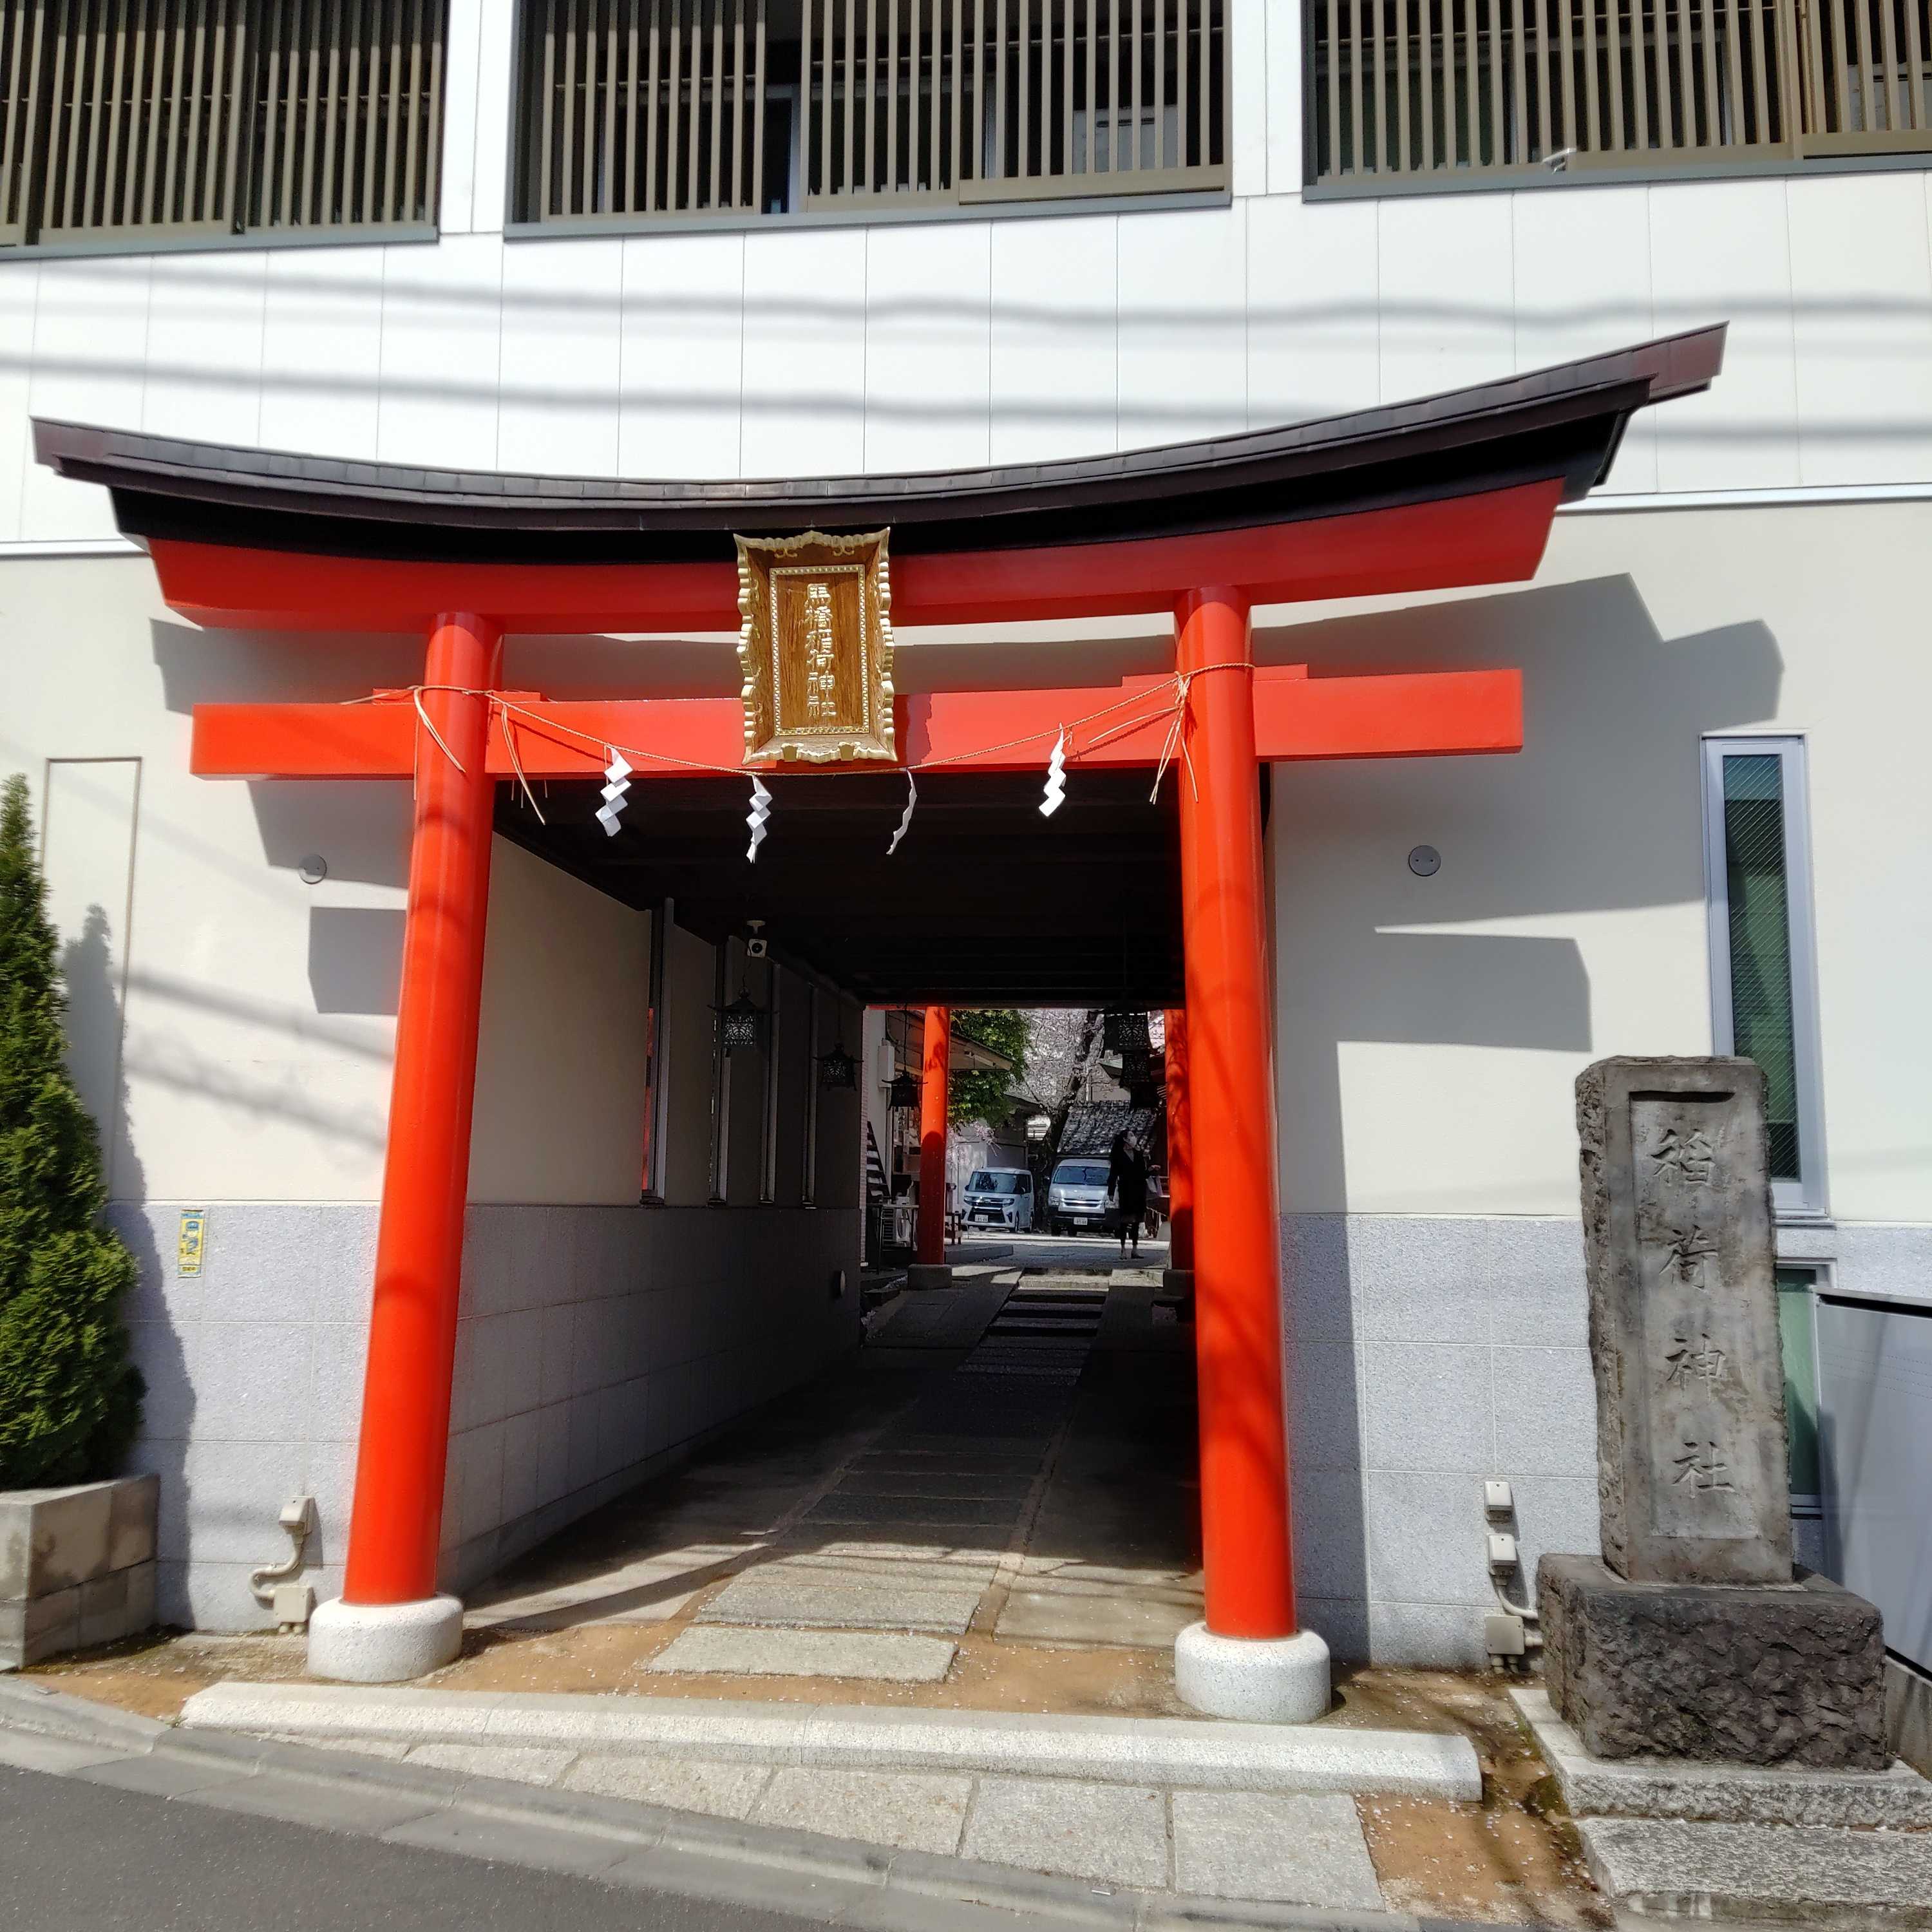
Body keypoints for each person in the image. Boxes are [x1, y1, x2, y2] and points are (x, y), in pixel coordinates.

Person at [1108, 1133, 1150, 1261]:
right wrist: (1111, 1190)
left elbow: (1143, 1173)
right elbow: (1113, 1174)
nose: (1133, 1138)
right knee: (1125, 1221)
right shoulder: (1118, 1156)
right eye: (1131, 1135)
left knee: (1137, 1220)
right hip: (1126, 1189)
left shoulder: (1138, 1155)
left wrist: (1151, 1170)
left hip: (1139, 1189)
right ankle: (1123, 1248)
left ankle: (1135, 1249)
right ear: (1125, 1139)